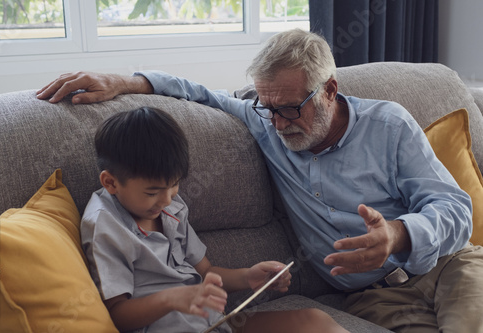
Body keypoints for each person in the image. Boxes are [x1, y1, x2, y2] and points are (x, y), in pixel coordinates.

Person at [37, 29, 483, 332]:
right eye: (268, 107)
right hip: (373, 296)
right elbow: (197, 92)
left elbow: (456, 210)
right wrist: (122, 80)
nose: (279, 122)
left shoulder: (389, 125)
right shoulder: (266, 120)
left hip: (447, 264)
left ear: (329, 90)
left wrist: (399, 233)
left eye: (291, 107)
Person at [81, 106, 348, 333]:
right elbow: (117, 315)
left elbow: (206, 272)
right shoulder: (105, 225)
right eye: (152, 192)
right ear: (111, 182)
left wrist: (249, 277)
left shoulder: (172, 207)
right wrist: (173, 298)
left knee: (314, 322)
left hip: (213, 324)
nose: (165, 200)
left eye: (174, 185)